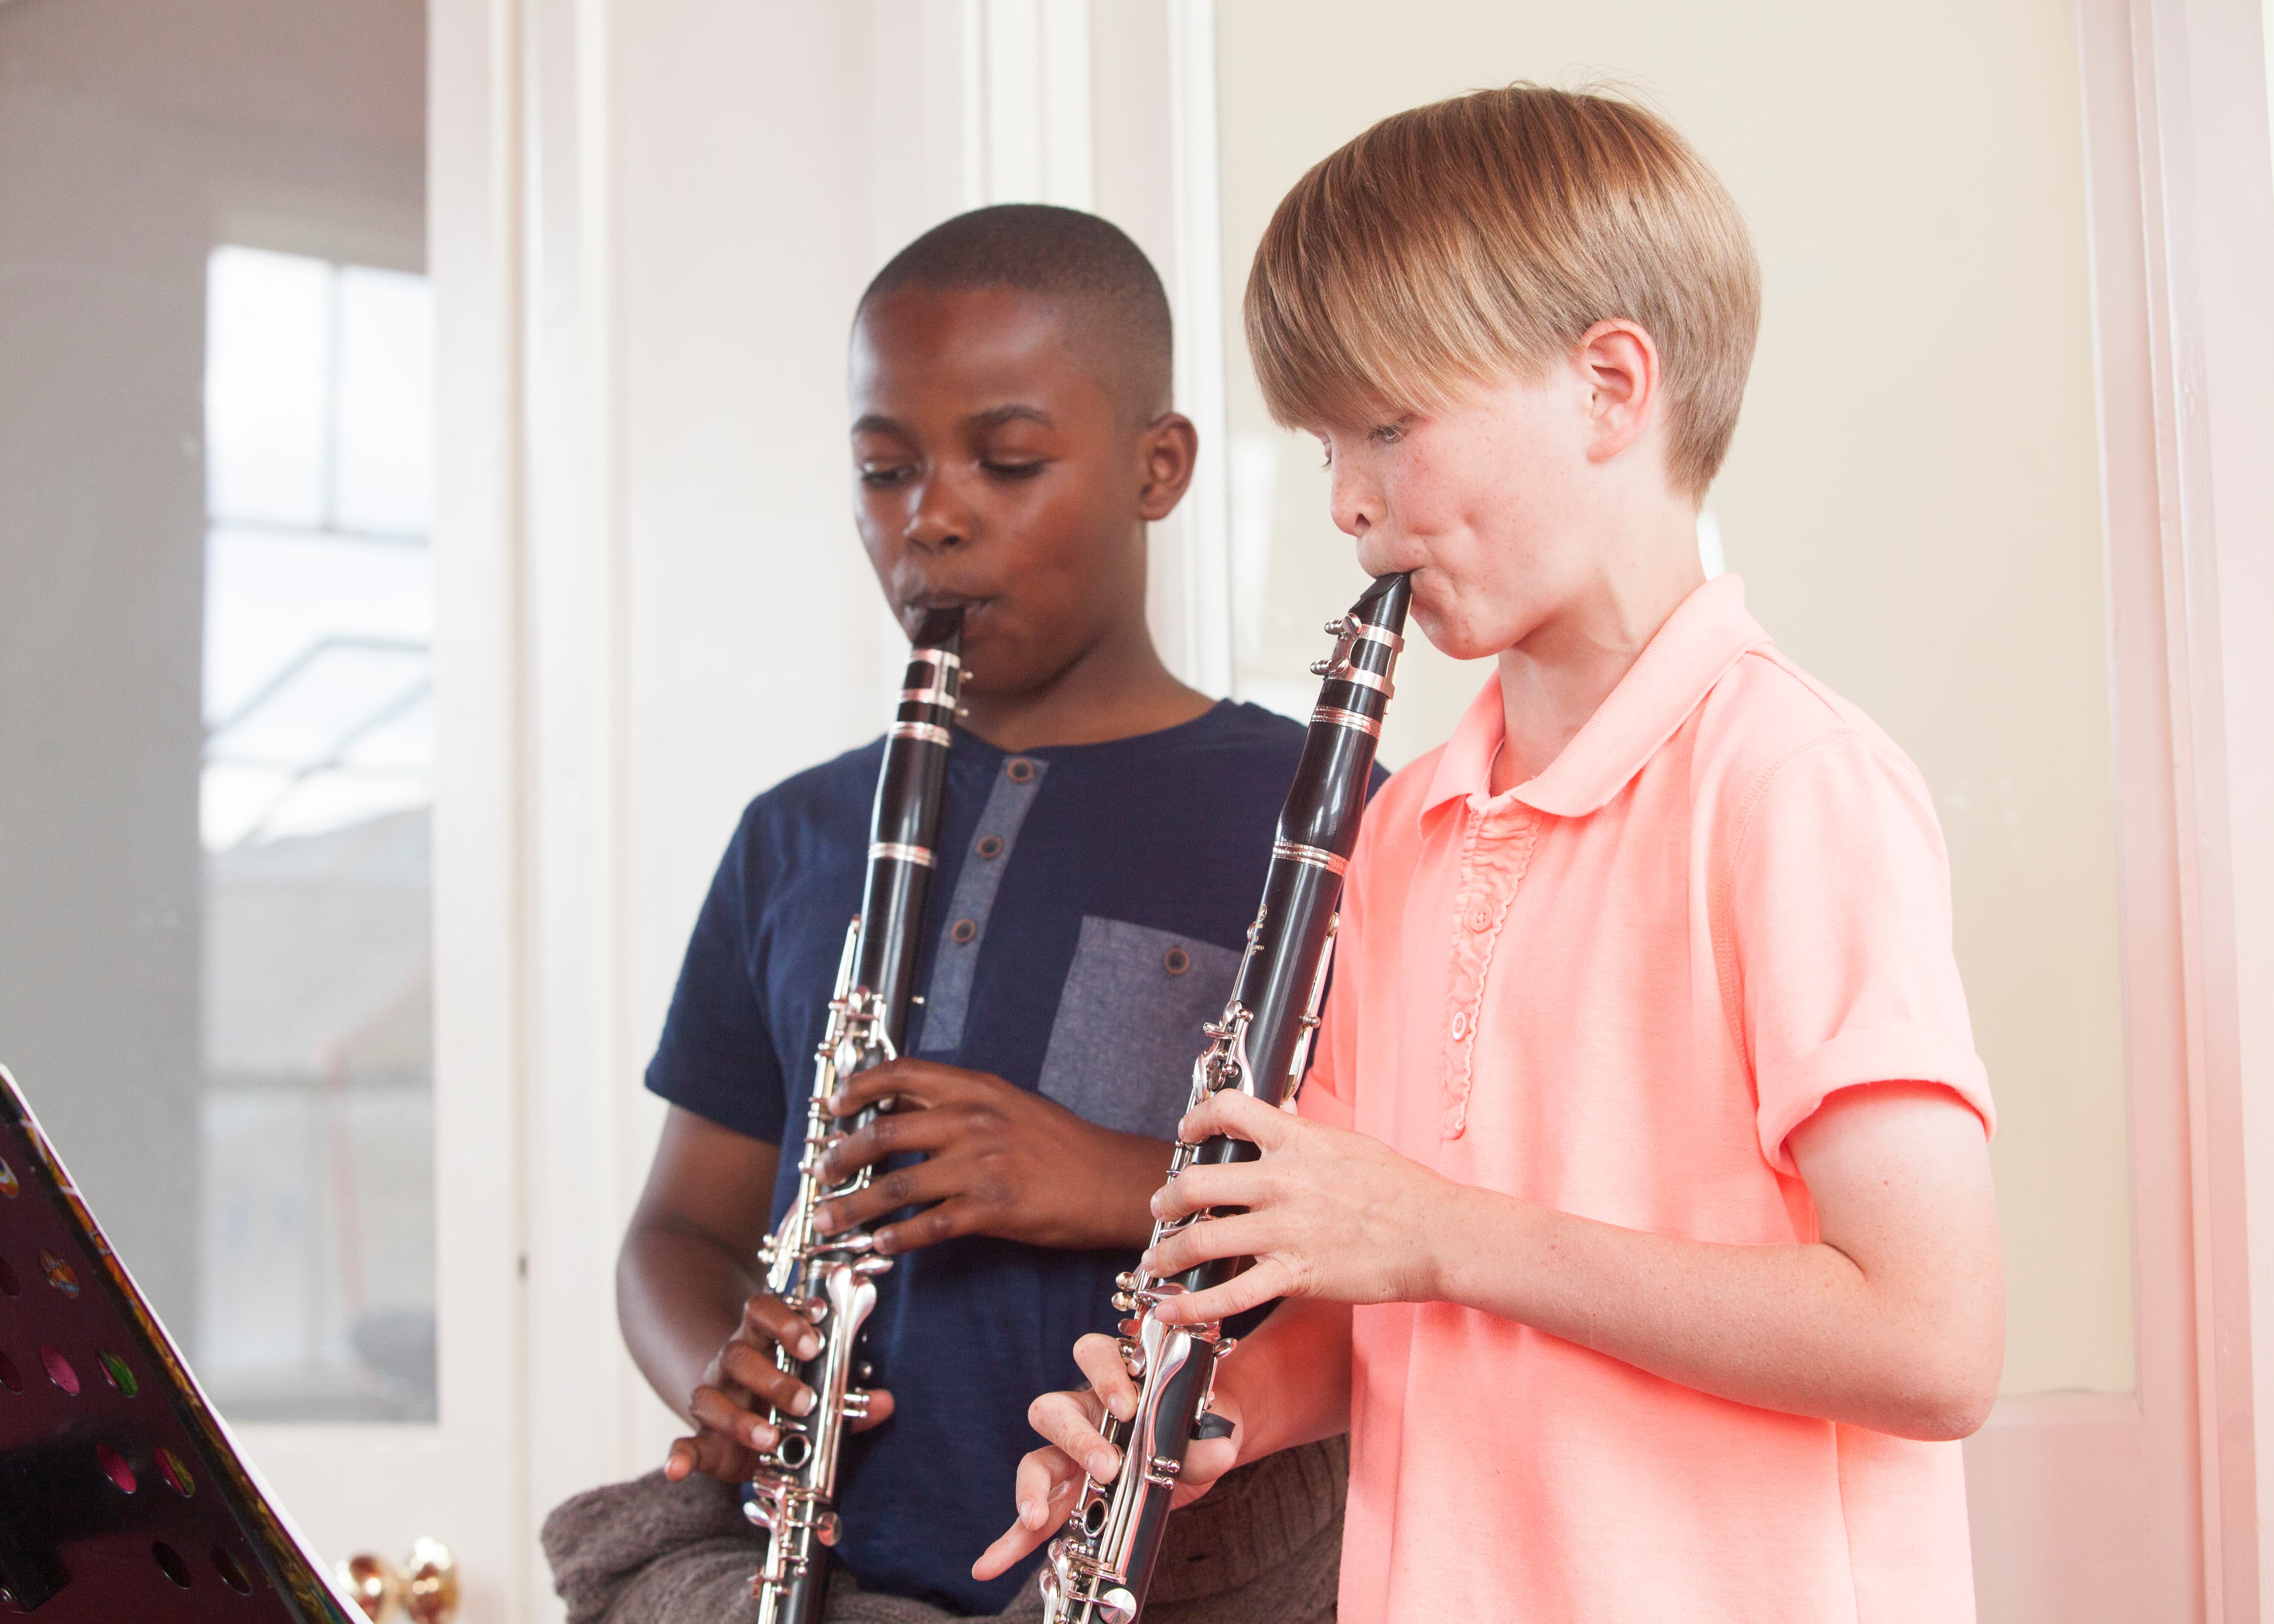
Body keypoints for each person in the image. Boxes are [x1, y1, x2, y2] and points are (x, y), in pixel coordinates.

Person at [980, 88, 2004, 1623]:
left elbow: (1929, 1340)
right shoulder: (1404, 826)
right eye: (1330, 444)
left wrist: (1449, 1236)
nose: (1348, 501)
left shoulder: (1792, 785)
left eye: (1389, 428)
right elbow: (1358, 1304)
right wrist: (1203, 1420)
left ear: (1608, 388)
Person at [570, 205, 1347, 1623]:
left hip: (1176, 1576)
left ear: (1156, 468)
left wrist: (1101, 1177)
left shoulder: (1317, 820)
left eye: (1007, 461)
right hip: (827, 1576)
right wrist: (716, 1362)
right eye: (885, 467)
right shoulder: (796, 834)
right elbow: (676, 1230)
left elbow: (1400, 1236)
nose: (930, 514)